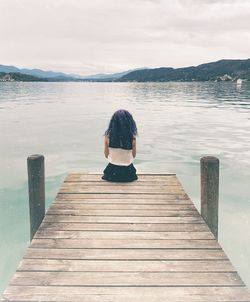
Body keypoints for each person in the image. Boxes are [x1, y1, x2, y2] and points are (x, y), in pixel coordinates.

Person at [102, 109, 138, 182]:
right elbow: (134, 155)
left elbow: (106, 155)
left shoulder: (108, 136)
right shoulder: (132, 137)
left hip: (111, 173)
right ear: (130, 122)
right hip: (128, 174)